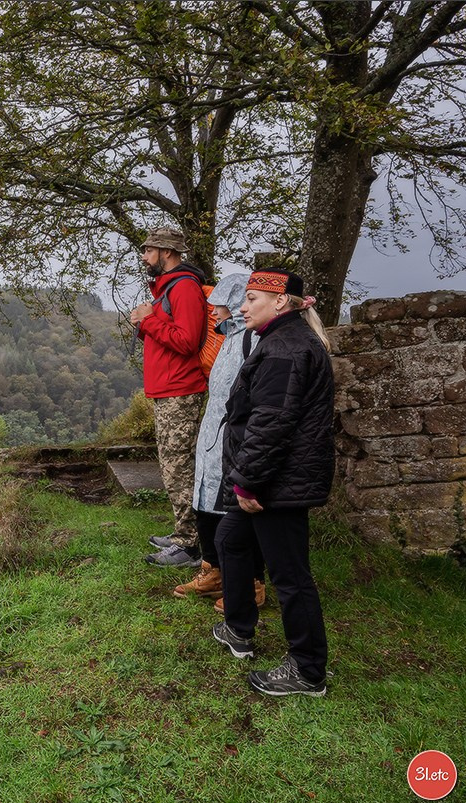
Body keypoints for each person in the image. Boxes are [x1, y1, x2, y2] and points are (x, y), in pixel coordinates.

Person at [210, 269, 335, 697]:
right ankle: (239, 629)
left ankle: (308, 670)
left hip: (276, 484)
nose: (243, 307)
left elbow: (271, 424)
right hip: (273, 478)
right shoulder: (282, 342)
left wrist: (246, 484)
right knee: (231, 539)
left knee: (290, 576)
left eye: (251, 299)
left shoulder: (285, 349)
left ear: (280, 302)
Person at [172, 273, 267, 607]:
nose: (213, 312)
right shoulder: (230, 338)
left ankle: (252, 583)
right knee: (207, 503)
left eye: (221, 305)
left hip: (233, 438)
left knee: (234, 510)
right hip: (214, 434)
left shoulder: (251, 341)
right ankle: (214, 572)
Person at [128, 227, 208, 568]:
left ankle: (190, 546)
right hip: (169, 389)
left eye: (149, 251)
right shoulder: (167, 289)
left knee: (180, 466)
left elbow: (188, 340)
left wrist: (148, 323)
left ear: (167, 252)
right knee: (173, 465)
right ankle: (183, 533)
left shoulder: (184, 288)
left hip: (182, 390)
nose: (144, 257)